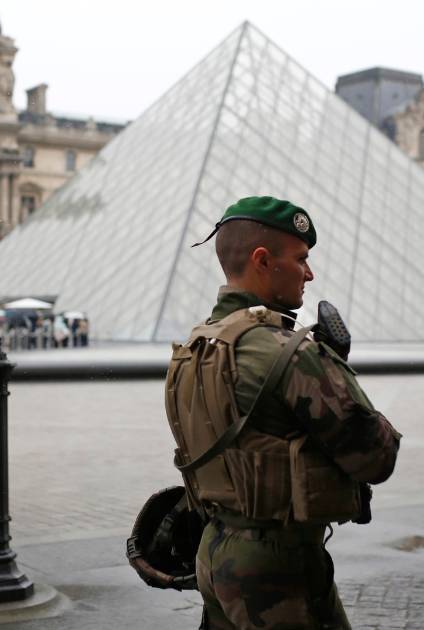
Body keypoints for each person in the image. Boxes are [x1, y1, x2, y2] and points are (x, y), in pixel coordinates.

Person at [166, 196, 401, 629]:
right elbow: (375, 457)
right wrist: (335, 366)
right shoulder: (288, 352)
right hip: (277, 565)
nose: (309, 273)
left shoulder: (197, 347)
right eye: (301, 259)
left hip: (214, 551)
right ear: (262, 260)